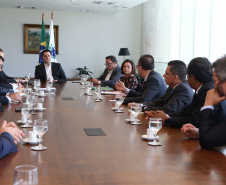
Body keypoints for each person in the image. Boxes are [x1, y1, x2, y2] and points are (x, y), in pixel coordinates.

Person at [146, 57, 226, 128]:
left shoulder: (207, 90)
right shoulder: (203, 88)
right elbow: (188, 111)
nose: (186, 80)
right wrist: (165, 116)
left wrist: (167, 120)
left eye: (188, 76)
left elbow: (194, 121)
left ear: (193, 77)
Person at [181, 55, 226, 149]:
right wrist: (199, 132)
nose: (214, 87)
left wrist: (208, 105)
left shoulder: (206, 90)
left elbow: (207, 141)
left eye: (216, 81)